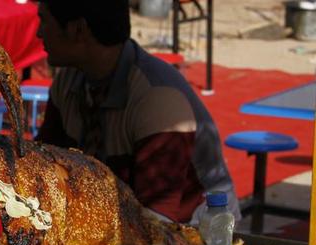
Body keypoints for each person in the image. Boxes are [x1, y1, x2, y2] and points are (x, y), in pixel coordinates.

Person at [33, 0, 240, 224]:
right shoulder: (68, 82)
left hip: (199, 239)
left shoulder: (157, 99)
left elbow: (157, 224)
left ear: (78, 29)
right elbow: (41, 165)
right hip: (122, 224)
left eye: (44, 20)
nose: (39, 32)